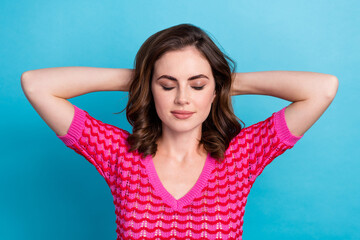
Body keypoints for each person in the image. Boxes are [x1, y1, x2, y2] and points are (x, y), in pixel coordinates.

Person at [21, 23, 338, 239]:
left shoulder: (241, 156)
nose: (183, 98)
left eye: (197, 85)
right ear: (150, 89)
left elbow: (322, 88)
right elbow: (36, 84)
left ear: (213, 91)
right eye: (167, 84)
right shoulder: (118, 153)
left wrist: (223, 82)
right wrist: (142, 75)